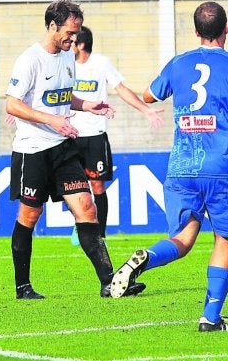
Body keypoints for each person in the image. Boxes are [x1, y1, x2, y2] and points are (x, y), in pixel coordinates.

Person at [110, 1, 228, 332]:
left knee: (184, 238)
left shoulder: (179, 63)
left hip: (182, 166)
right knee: (224, 240)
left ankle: (146, 257)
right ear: (226, 29)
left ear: (196, 32)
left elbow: (148, 96)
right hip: (221, 168)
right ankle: (210, 318)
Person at [5, 0, 146, 300]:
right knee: (30, 214)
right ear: (53, 26)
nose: (74, 39)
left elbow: (61, 98)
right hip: (33, 151)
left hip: (62, 147)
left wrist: (86, 104)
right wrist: (51, 120)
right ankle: (22, 287)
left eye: (77, 32)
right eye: (70, 32)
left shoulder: (67, 56)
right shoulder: (30, 59)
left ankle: (110, 283)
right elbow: (12, 104)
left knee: (86, 206)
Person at [69, 25, 165, 245]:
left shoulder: (101, 64)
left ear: (81, 44)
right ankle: (80, 224)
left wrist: (145, 109)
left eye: (73, 41)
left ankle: (99, 235)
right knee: (72, 187)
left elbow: (121, 89)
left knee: (97, 186)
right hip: (70, 134)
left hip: (95, 134)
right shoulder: (64, 64)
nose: (69, 44)